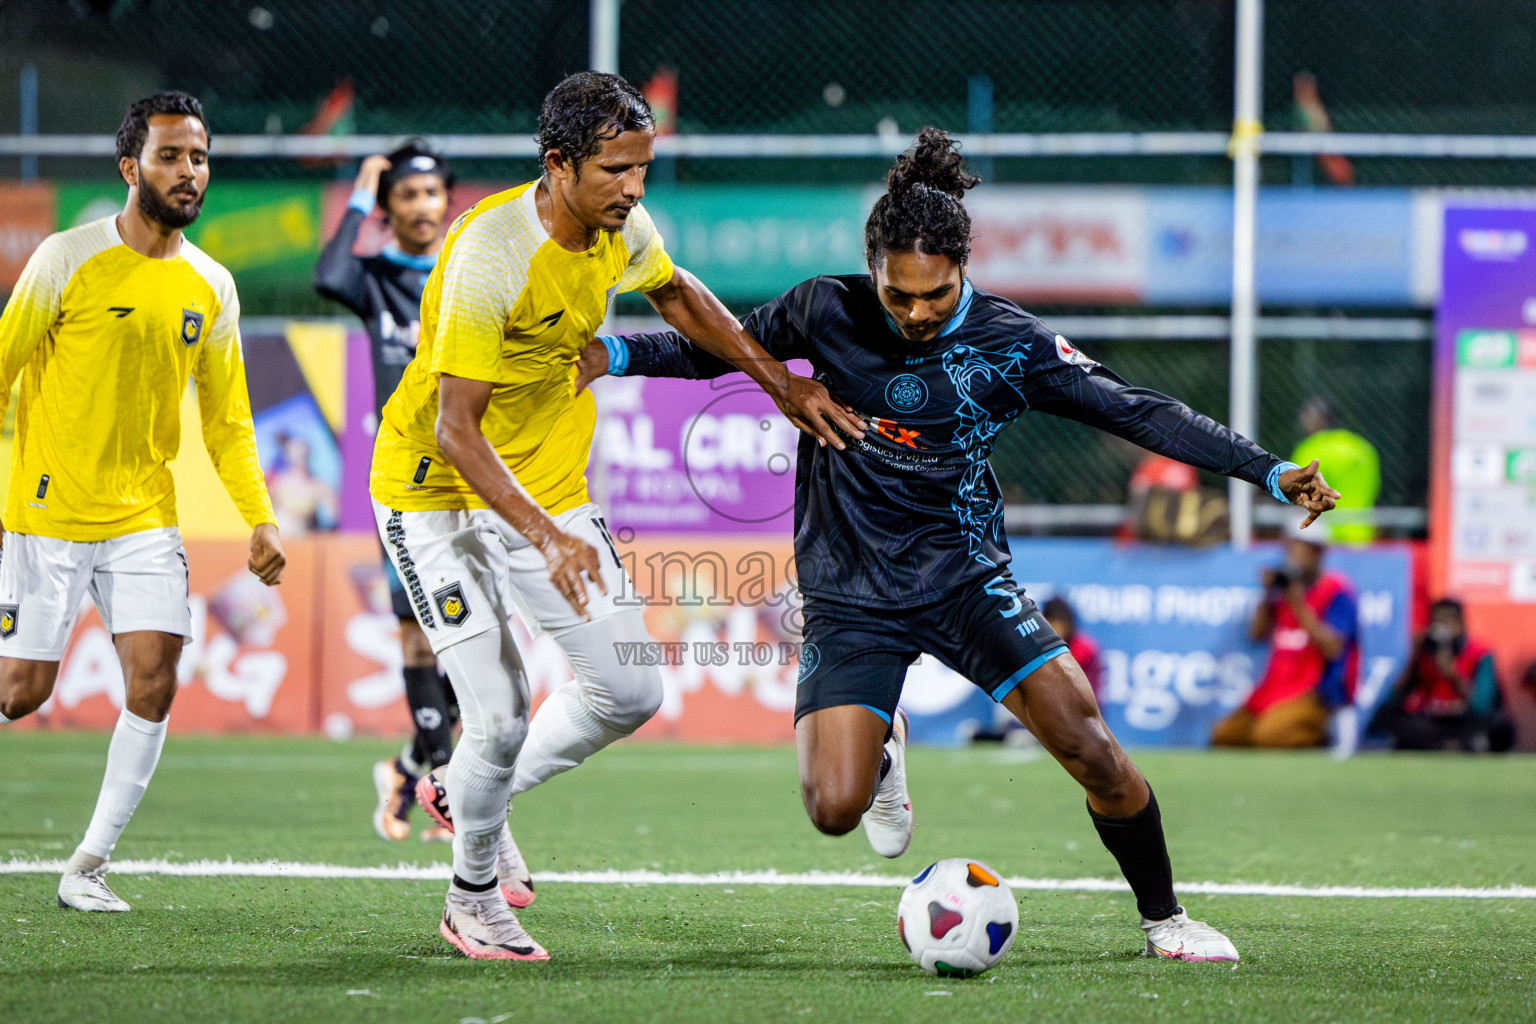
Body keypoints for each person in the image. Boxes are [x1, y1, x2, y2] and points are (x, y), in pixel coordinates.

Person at [582, 128, 1339, 961]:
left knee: (1092, 749)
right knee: (834, 810)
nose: (913, 313)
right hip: (850, 591)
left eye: (934, 296)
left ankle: (1167, 920)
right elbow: (716, 347)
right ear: (871, 268)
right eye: (897, 294)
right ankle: (882, 751)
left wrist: (1269, 473)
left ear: (964, 270)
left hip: (965, 578)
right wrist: (609, 351)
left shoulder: (1013, 346)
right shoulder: (821, 309)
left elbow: (1137, 410)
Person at [368, 72, 858, 961]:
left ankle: (469, 789)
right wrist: (545, 536)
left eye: (642, 168)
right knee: (503, 712)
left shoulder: (619, 226)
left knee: (630, 690)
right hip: (433, 494)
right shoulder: (489, 255)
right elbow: (455, 430)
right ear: (557, 166)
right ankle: (472, 897)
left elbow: (678, 296)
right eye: (615, 171)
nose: (633, 190)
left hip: (549, 490)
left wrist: (776, 381)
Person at [0, 91, 285, 912]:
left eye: (198, 157)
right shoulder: (65, 258)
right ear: (131, 168)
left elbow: (227, 421)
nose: (188, 171)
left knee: (154, 683)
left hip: (143, 520)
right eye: (170, 156)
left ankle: (85, 867)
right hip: (47, 517)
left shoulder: (212, 286)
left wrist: (257, 517)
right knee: (20, 695)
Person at [314, 139, 460, 842]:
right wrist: (362, 189)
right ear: (389, 209)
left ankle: (410, 770)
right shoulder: (375, 279)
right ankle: (451, 790)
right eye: (405, 195)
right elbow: (330, 273)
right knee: (418, 637)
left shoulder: (465, 272)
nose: (422, 206)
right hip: (403, 481)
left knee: (476, 646)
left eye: (431, 193)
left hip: (474, 475)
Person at [1211, 518, 1358, 749]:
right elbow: (1256, 634)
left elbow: (1334, 649)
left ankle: (1321, 734)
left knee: (1268, 736)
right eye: (1290, 547)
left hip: (1314, 692)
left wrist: (1299, 605)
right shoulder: (1284, 589)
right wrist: (1268, 595)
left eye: (1301, 548)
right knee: (1224, 734)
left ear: (1318, 552)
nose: (1293, 554)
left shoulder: (1337, 591)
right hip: (1275, 688)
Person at [1369, 598, 1512, 752]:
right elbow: (1392, 698)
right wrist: (1413, 660)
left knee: (1500, 728)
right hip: (1433, 722)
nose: (1440, 627)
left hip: (1465, 720)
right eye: (1436, 622)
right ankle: (1448, 746)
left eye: (1446, 621)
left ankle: (1456, 745)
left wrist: (1451, 673)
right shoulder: (1425, 652)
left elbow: (1481, 707)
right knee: (1389, 719)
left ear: (1460, 624)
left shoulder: (1480, 653)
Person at [1291, 396, 1378, 545]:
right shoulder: (1362, 447)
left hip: (1324, 539)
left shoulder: (1310, 449)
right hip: (1361, 536)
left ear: (1318, 418)